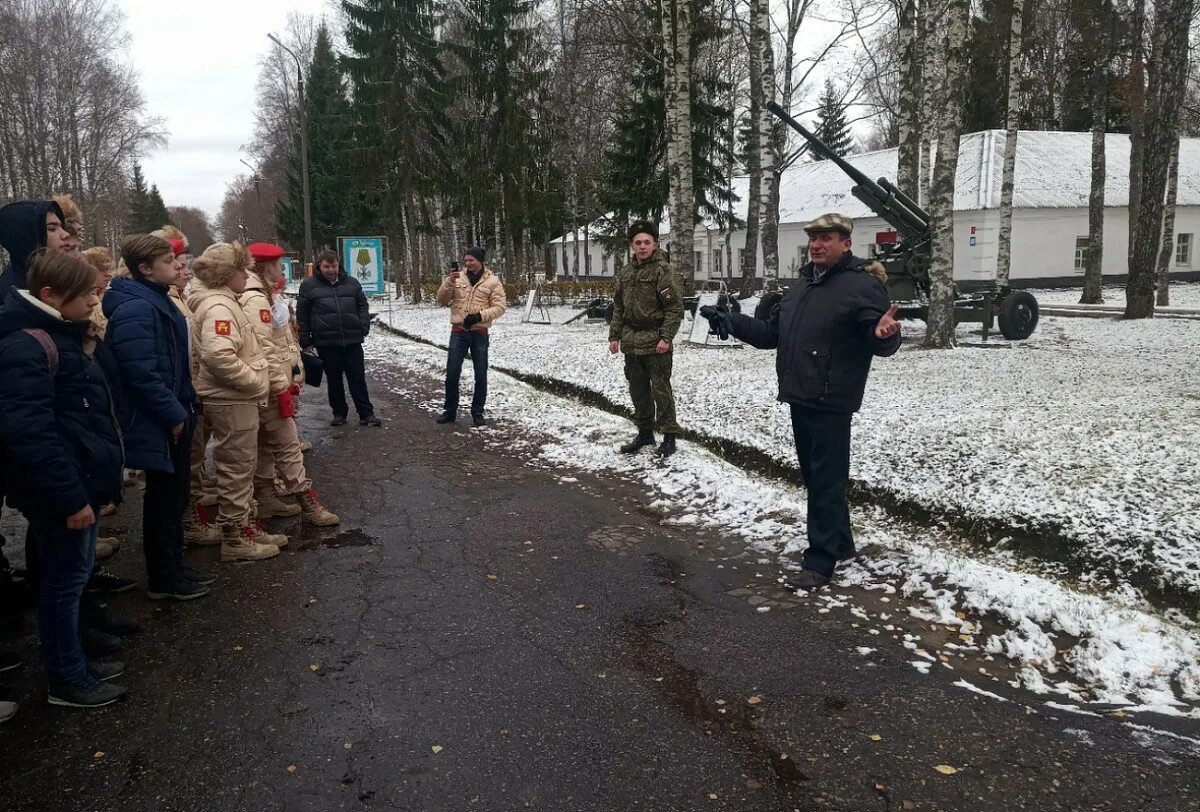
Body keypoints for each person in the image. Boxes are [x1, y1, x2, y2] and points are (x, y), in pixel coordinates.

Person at [701, 213, 901, 589]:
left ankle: (820, 562)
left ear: (846, 243)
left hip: (831, 398)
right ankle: (840, 543)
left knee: (825, 479)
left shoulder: (862, 286)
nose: (817, 244)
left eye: (826, 238)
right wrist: (731, 321)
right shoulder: (803, 285)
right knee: (816, 476)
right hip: (800, 394)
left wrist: (884, 334)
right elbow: (770, 334)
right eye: (813, 238)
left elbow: (880, 337)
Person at [0, 249, 127, 707]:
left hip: (77, 483)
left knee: (69, 579)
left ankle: (74, 662)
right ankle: (67, 679)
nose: (96, 302)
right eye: (87, 294)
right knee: (62, 584)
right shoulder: (27, 346)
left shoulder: (62, 335)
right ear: (51, 295)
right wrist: (72, 497)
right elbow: (30, 435)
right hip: (63, 492)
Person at [104, 235, 211, 601]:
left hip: (175, 410)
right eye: (168, 260)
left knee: (175, 496)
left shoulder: (156, 299)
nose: (178, 266)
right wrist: (174, 414)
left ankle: (174, 568)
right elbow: (140, 372)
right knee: (164, 499)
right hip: (162, 419)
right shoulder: (137, 308)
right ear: (145, 269)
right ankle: (164, 579)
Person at [187, 242, 279, 563]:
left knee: (241, 465)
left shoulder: (225, 302)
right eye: (242, 269)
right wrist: (255, 380)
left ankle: (246, 526)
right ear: (228, 274)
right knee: (236, 468)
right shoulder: (219, 308)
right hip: (231, 399)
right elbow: (218, 355)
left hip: (232, 398)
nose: (247, 274)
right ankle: (236, 537)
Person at [243, 244, 339, 527]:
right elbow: (264, 348)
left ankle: (266, 497)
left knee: (265, 444)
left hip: (273, 382)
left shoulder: (266, 294)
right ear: (265, 266)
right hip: (270, 386)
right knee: (288, 445)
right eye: (277, 263)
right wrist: (279, 386)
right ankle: (307, 501)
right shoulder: (256, 299)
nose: (281, 268)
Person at [608, 221, 684, 457]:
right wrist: (614, 335)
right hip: (632, 342)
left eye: (647, 242)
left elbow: (674, 309)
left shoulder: (663, 271)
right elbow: (618, 306)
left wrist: (666, 338)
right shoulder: (626, 273)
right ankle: (645, 433)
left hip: (656, 342)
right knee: (638, 390)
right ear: (632, 245)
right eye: (638, 243)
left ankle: (669, 437)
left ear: (655, 244)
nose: (642, 247)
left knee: (661, 391)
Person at [297, 250, 380, 427]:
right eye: (327, 266)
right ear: (320, 265)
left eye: (334, 266)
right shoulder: (309, 286)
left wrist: (363, 325)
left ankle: (366, 413)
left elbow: (362, 305)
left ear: (339, 265)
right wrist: (305, 340)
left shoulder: (352, 283)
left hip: (352, 340)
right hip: (326, 342)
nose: (331, 270)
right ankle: (339, 413)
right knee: (334, 381)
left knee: (357, 378)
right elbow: (302, 314)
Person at [435, 248, 506, 426]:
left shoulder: (493, 281)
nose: (467, 263)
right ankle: (450, 411)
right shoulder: (457, 278)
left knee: (480, 374)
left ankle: (477, 413)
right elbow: (441, 299)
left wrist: (480, 316)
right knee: (452, 373)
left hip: (479, 333)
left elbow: (500, 307)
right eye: (466, 260)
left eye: (471, 260)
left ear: (480, 261)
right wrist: (449, 282)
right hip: (458, 332)